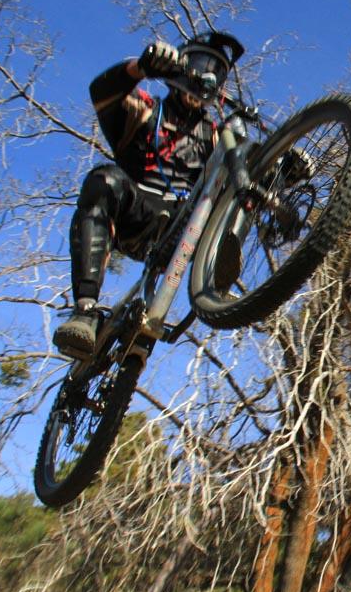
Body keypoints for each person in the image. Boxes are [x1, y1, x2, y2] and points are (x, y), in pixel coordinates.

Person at [53, 32, 245, 358]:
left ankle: (219, 272)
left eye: (217, 72)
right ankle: (85, 311)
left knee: (239, 183)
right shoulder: (145, 109)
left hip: (184, 227)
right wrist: (141, 67)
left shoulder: (215, 137)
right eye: (201, 65)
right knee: (103, 179)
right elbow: (102, 92)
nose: (208, 76)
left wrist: (284, 169)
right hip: (137, 215)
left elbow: (247, 177)